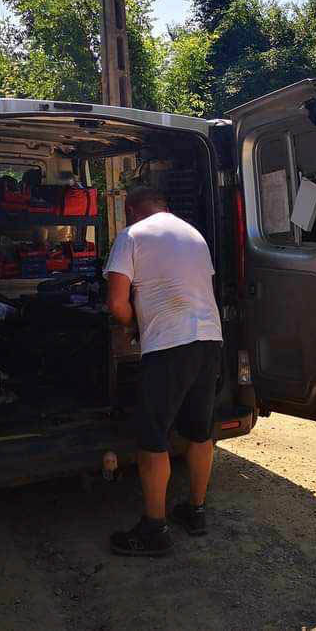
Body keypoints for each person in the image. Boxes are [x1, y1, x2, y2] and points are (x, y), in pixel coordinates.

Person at [104, 186, 223, 556]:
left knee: (152, 437)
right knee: (199, 431)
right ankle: (195, 510)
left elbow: (117, 303)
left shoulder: (131, 236)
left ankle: (154, 530)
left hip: (170, 345)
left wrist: (135, 327)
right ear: (164, 205)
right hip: (210, 340)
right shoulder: (194, 235)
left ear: (130, 209)